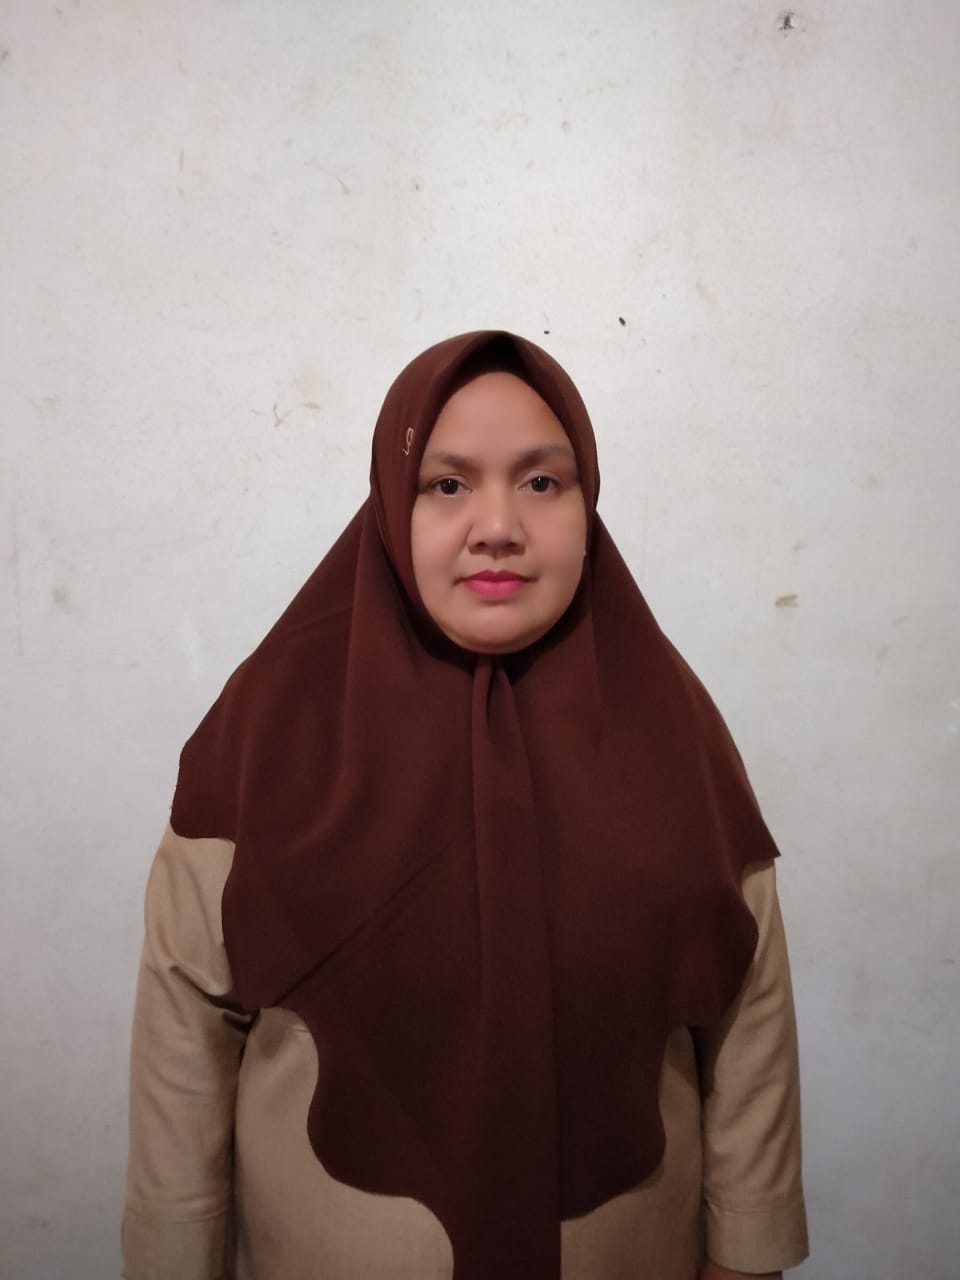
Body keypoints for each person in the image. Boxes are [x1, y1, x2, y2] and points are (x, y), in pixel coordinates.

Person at [123, 331, 809, 1280]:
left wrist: (749, 1255)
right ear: (391, 502)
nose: (497, 526)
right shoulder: (272, 729)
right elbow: (185, 1027)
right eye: (448, 484)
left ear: (587, 503)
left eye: (542, 482)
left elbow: (749, 1016)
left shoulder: (670, 729)